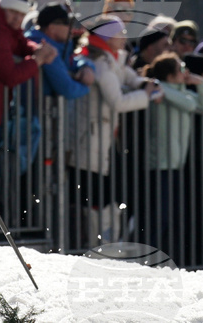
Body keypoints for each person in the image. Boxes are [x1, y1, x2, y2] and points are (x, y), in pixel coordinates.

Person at [66, 16, 158, 247]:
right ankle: (98, 246)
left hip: (104, 140)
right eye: (120, 32)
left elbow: (128, 76)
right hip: (90, 138)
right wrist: (146, 95)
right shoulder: (99, 62)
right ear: (107, 36)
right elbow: (117, 101)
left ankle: (106, 244)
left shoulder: (112, 58)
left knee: (107, 197)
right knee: (95, 198)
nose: (124, 36)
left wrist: (142, 83)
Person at [141, 51, 203, 262]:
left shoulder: (178, 92)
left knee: (170, 217)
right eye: (181, 69)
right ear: (170, 75)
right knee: (159, 217)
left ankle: (161, 258)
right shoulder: (159, 90)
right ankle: (148, 257)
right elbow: (190, 104)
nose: (185, 72)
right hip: (160, 163)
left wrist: (199, 82)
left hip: (175, 164)